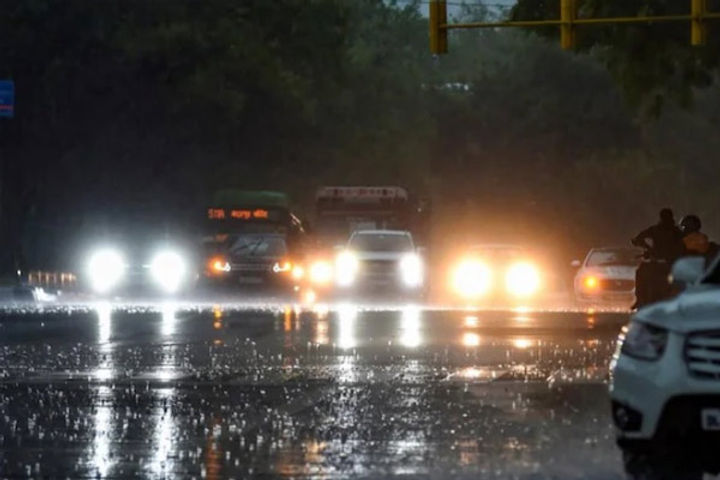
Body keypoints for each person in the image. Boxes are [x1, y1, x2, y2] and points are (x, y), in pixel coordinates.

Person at [631, 208, 684, 309]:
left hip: (661, 263)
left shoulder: (656, 229)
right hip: (669, 264)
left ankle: (639, 299)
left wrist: (648, 248)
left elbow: (637, 239)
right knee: (640, 271)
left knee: (640, 272)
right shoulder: (676, 231)